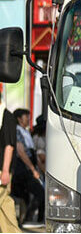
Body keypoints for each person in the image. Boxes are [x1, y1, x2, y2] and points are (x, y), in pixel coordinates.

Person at [11, 108, 43, 223]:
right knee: (39, 193)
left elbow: (32, 152)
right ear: (19, 118)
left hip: (29, 166)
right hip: (23, 167)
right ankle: (28, 219)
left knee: (26, 197)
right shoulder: (17, 131)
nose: (28, 119)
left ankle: (24, 220)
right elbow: (21, 152)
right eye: (26, 117)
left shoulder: (26, 131)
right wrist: (32, 169)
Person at [0, 96, 18, 232]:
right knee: (5, 204)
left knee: (4, 201)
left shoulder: (6, 117)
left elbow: (9, 146)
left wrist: (5, 171)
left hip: (1, 169)